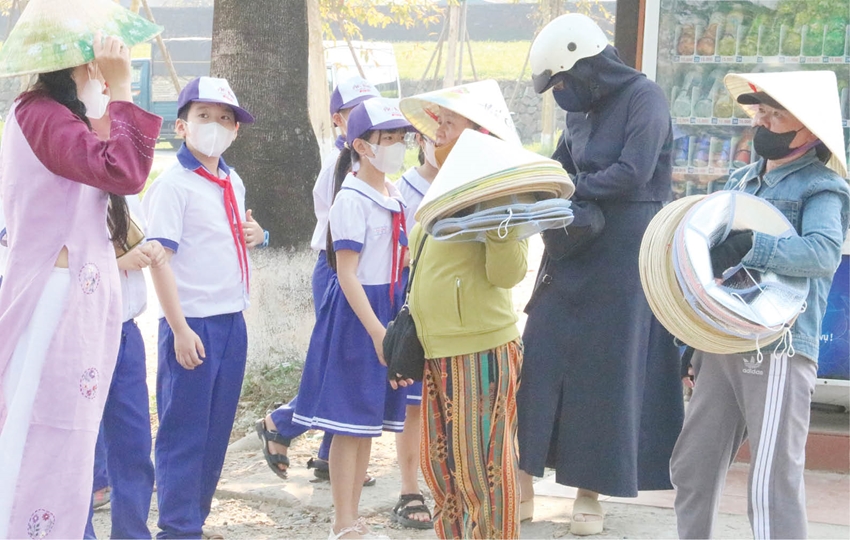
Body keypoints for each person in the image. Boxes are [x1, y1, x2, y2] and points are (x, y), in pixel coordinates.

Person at [515, 13, 683, 535]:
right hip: (574, 245)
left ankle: (589, 492)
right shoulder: (580, 112)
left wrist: (570, 187)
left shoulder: (644, 97)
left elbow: (634, 171)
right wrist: (529, 182)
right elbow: (557, 166)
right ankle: (522, 483)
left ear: (586, 65)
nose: (560, 93)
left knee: (607, 372)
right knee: (540, 357)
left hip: (626, 252)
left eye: (561, 82)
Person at [0, 1, 162, 535]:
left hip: (75, 300)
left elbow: (112, 161)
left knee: (68, 441)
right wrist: (123, 90)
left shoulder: (57, 115)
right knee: (43, 436)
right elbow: (125, 170)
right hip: (54, 300)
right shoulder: (40, 113)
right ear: (77, 58)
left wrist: (110, 98)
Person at [670, 70, 850, 540]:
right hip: (722, 340)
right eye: (760, 112)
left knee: (772, 480)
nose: (762, 122)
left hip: (779, 346)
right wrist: (692, 341)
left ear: (809, 130)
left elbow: (823, 254)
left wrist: (755, 245)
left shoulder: (822, 187)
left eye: (775, 114)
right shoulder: (741, 180)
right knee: (693, 464)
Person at [399, 81, 527, 539]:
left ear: (478, 134)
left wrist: (500, 222)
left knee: (482, 474)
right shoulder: (446, 186)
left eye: (448, 123)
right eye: (438, 122)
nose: (437, 131)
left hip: (479, 349)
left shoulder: (497, 191)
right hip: (439, 348)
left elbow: (508, 273)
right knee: (444, 475)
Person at [143, 76, 265, 539]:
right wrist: (179, 328)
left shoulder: (232, 179)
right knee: (184, 431)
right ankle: (177, 527)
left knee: (215, 432)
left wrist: (259, 235)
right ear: (182, 126)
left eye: (225, 118)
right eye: (204, 116)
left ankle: (193, 520)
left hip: (232, 319)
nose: (215, 125)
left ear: (236, 130)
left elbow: (228, 236)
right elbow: (160, 261)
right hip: (192, 323)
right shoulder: (173, 185)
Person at [290, 98, 411, 540]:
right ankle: (343, 523)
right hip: (360, 316)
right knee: (350, 424)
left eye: (401, 138)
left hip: (389, 308)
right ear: (360, 145)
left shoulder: (393, 194)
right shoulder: (351, 199)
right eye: (388, 138)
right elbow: (346, 274)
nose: (398, 146)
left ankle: (353, 519)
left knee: (368, 425)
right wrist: (378, 331)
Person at [256, 76, 382, 486]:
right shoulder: (340, 167)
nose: (365, 118)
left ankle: (329, 453)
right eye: (355, 112)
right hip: (337, 269)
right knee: (338, 365)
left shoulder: (367, 163)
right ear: (338, 120)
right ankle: (281, 423)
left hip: (361, 270)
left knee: (346, 364)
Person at [84, 195, 162, 539]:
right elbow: (42, 253)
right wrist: (113, 261)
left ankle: (132, 534)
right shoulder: (58, 182)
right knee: (78, 449)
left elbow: (140, 237)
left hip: (126, 331)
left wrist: (150, 250)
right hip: (79, 334)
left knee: (134, 447)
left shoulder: (124, 192)